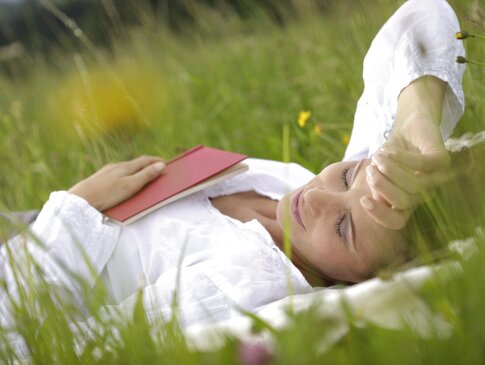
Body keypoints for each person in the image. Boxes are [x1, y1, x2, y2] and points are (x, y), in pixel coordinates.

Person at [0, 0, 466, 331]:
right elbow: (424, 13)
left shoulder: (242, 286)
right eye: (347, 175)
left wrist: (75, 209)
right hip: (27, 230)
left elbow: (54, 344)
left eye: (344, 227)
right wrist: (415, 120)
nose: (319, 194)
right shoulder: (326, 204)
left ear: (377, 275)